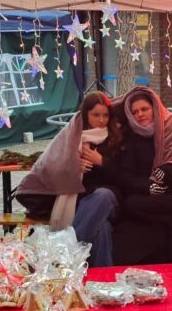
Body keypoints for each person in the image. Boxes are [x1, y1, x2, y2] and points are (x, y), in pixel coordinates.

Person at [91, 87, 172, 265]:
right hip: (142, 196)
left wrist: (169, 170)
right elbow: (125, 176)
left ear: (154, 108)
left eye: (144, 109)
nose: (140, 114)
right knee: (134, 205)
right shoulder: (129, 137)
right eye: (135, 112)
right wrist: (148, 186)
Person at [14, 92, 122, 266]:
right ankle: (102, 280)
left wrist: (101, 161)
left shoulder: (115, 137)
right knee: (102, 229)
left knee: (103, 195)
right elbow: (50, 166)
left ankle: (63, 254)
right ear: (85, 115)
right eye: (96, 115)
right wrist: (72, 168)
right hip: (82, 202)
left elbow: (123, 175)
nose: (101, 120)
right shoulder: (72, 137)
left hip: (110, 200)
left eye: (105, 115)